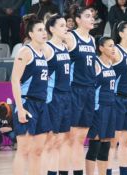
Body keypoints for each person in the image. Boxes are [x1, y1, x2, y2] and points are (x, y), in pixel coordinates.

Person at [11, 14, 50, 175]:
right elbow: (14, 80)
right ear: (31, 34)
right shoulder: (25, 51)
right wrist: (20, 108)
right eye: (39, 30)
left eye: (44, 29)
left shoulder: (44, 52)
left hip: (42, 104)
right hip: (27, 104)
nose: (44, 32)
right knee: (24, 149)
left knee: (39, 150)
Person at [65, 6, 97, 175]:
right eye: (87, 16)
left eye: (92, 16)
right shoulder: (70, 37)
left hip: (90, 91)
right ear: (77, 20)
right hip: (75, 90)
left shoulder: (92, 39)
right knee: (72, 139)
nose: (92, 19)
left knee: (81, 139)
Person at [41, 15, 72, 175]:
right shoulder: (47, 48)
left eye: (65, 25)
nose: (65, 28)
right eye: (61, 25)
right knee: (51, 141)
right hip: (53, 98)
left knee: (64, 140)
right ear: (51, 29)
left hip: (66, 96)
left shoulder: (65, 47)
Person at [109, 21, 127, 175]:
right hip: (118, 99)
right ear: (121, 33)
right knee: (113, 142)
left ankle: (125, 172)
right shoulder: (116, 51)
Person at [85, 37, 116, 175]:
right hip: (98, 108)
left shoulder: (111, 63)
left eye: (113, 45)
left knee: (106, 144)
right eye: (109, 46)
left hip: (111, 107)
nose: (113, 48)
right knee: (95, 145)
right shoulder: (96, 64)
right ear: (101, 48)